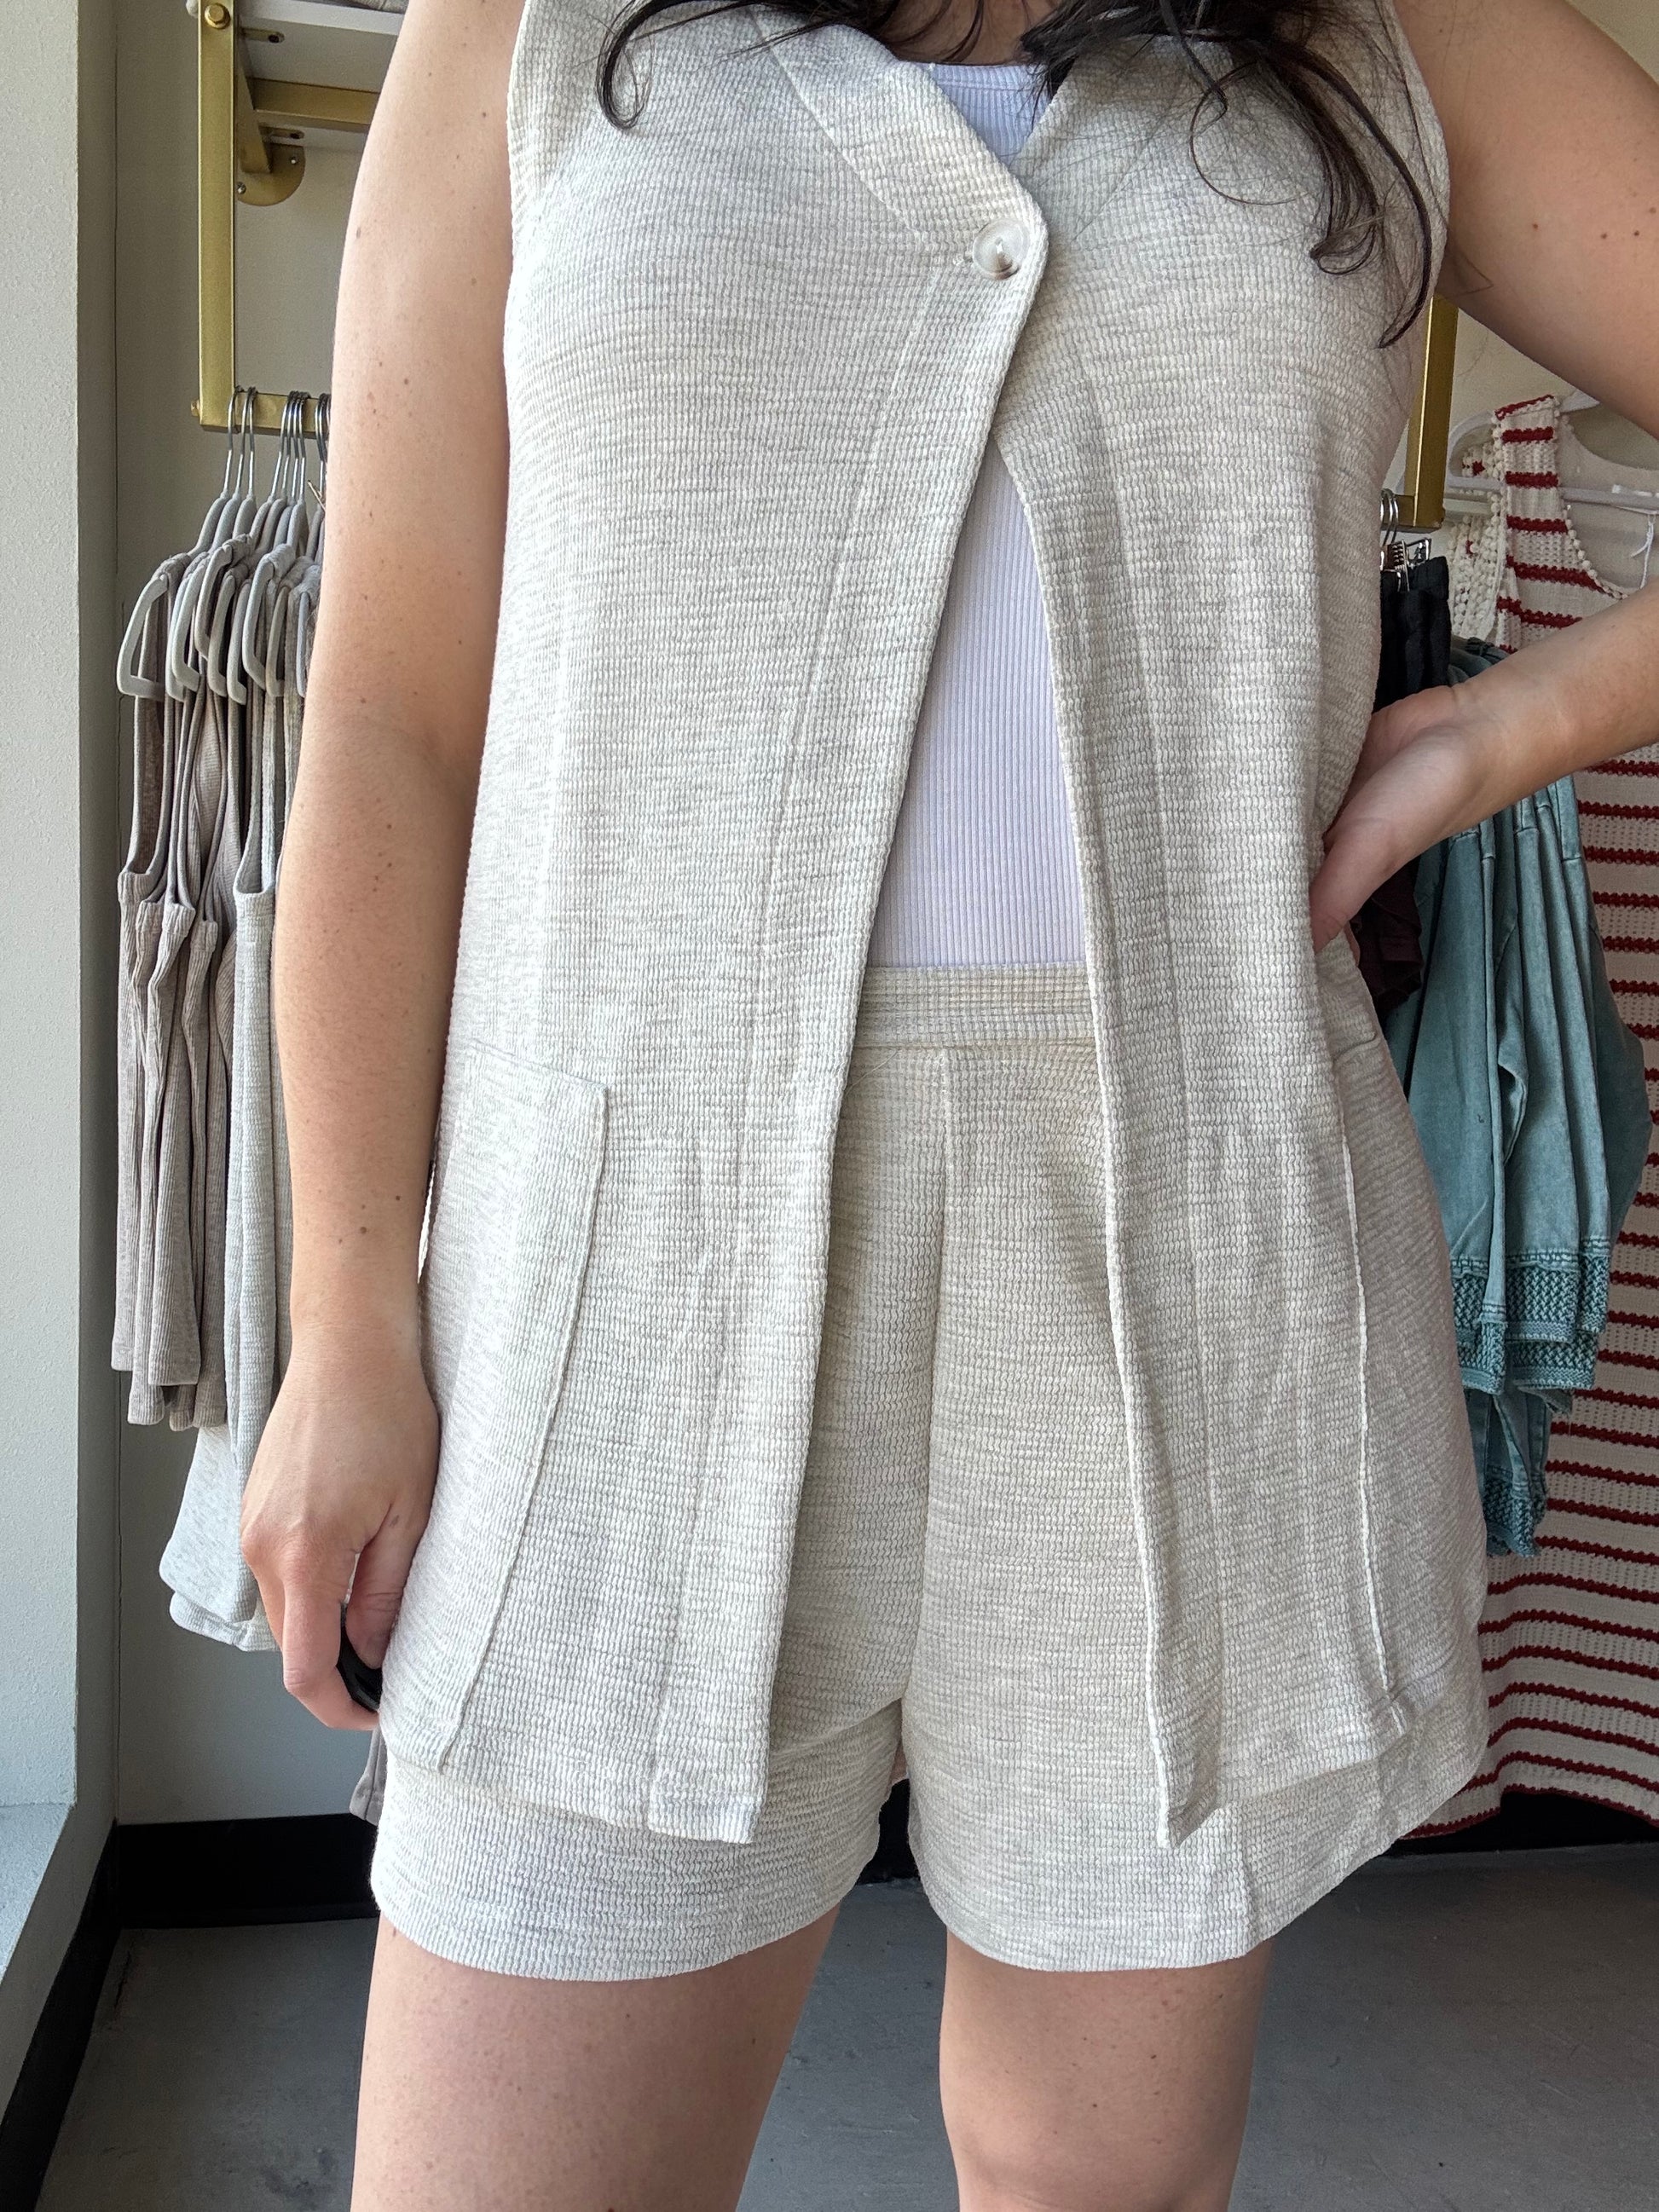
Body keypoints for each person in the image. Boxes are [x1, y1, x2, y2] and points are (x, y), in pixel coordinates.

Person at [238, 0, 1659, 2205]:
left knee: (1095, 2183)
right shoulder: (520, 22)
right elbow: (393, 713)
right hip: (613, 1317)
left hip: (1182, 1312)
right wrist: (345, 1318)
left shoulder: (1397, 25)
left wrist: (1512, 726)